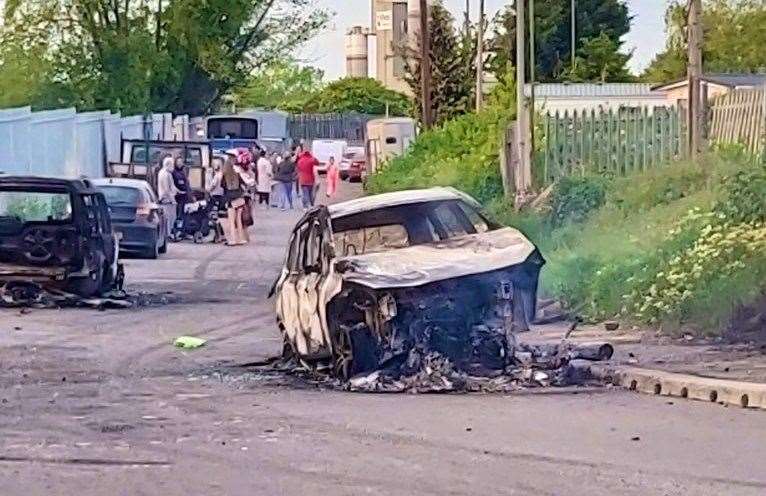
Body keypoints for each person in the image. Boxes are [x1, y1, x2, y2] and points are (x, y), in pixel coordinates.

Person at [221, 152, 254, 245]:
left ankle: (233, 239)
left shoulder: (225, 172)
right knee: (239, 219)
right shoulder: (238, 171)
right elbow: (245, 182)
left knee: (231, 220)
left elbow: (222, 185)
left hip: (231, 198)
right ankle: (240, 238)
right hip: (240, 197)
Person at [157, 156, 180, 239]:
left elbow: (172, 186)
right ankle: (168, 234)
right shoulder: (165, 174)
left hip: (165, 199)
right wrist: (172, 200)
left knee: (169, 218)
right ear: (168, 164)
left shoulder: (163, 172)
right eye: (172, 164)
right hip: (166, 200)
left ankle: (168, 234)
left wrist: (179, 191)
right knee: (169, 218)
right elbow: (167, 189)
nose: (173, 166)